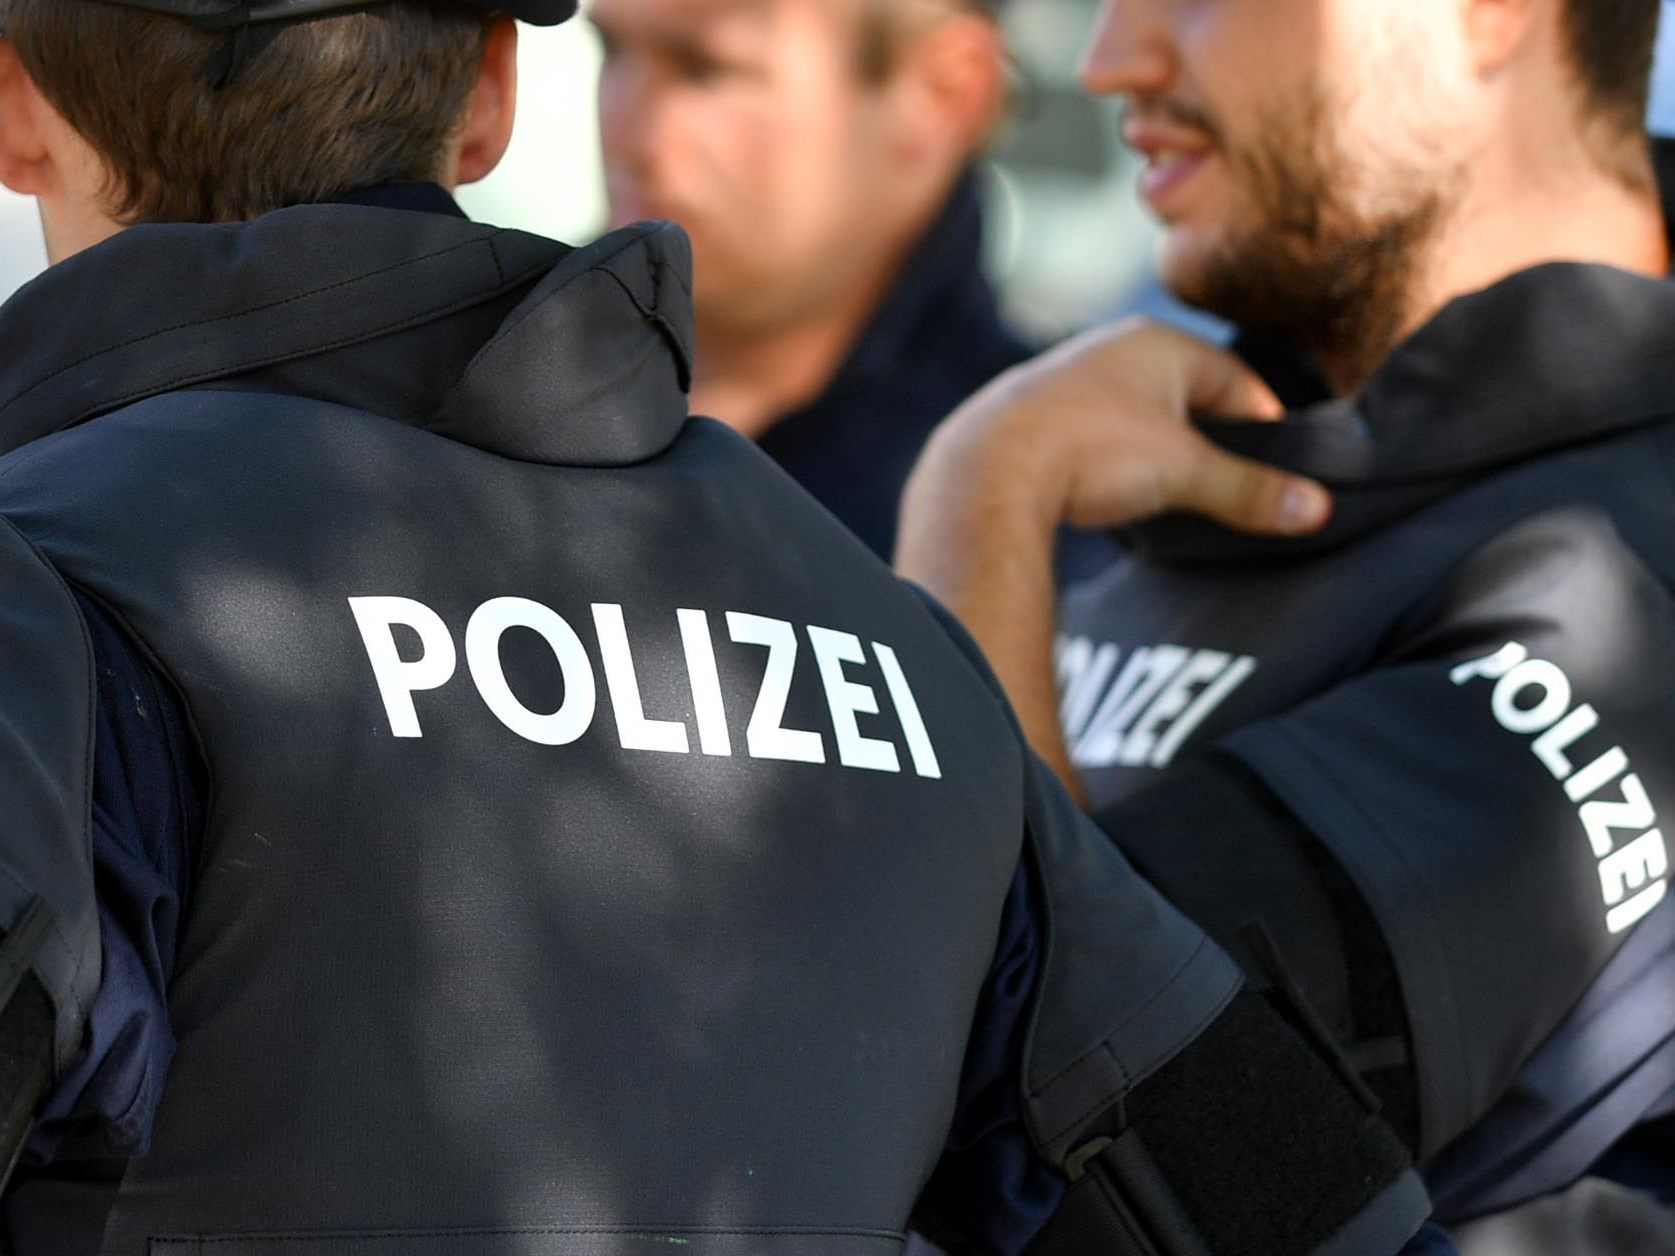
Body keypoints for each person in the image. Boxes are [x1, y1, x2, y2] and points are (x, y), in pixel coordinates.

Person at [0, 1, 1438, 1253]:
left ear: (15, 109)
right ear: (493, 95)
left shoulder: (53, 585)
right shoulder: (881, 634)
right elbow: (1285, 1206)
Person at [897, 0, 1675, 1248]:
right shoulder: (1193, 462)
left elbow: (1086, 1172)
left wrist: (976, 498)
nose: (1111, 59)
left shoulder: (1626, 583)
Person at [591, 0, 1110, 578]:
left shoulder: (1069, 518)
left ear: (943, 93)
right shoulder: (492, 376)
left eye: (706, 68)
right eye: (610, 50)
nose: (629, 133)